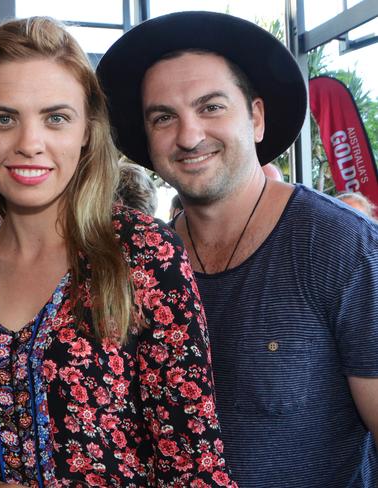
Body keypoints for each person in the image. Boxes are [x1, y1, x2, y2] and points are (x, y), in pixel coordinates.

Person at [0, 16, 236, 488]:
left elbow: (193, 465)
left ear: (87, 131)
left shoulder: (142, 253)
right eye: (3, 118)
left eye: (56, 118)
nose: (29, 144)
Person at [97, 11, 378, 487]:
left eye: (211, 107)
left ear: (256, 118)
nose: (189, 136)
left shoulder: (338, 243)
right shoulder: (144, 263)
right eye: (164, 117)